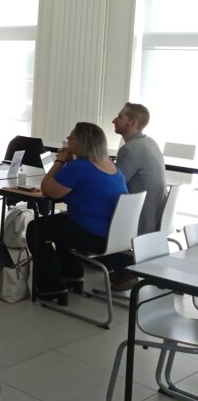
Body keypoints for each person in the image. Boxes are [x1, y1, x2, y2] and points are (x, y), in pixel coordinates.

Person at [26, 122, 127, 304]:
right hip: (113, 234)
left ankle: (52, 286)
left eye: (71, 137)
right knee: (60, 224)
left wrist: (59, 162)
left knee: (36, 229)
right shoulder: (113, 168)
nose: (67, 140)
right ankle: (72, 276)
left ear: (80, 142)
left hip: (93, 234)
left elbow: (48, 189)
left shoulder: (79, 167)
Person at [112, 103, 166, 235]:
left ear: (132, 122)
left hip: (139, 221)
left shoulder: (129, 150)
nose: (113, 120)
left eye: (119, 117)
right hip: (155, 218)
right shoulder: (150, 142)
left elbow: (112, 186)